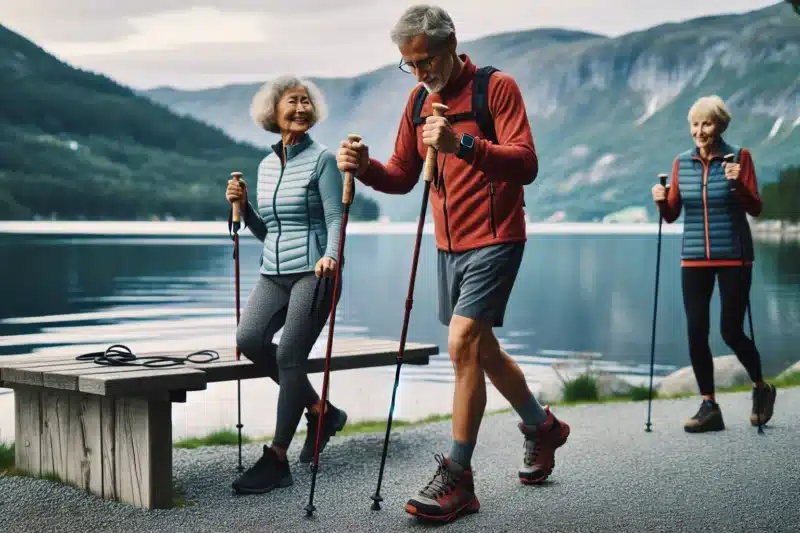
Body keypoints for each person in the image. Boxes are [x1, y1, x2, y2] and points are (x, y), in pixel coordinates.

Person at [336, 4, 570, 522]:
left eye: (426, 60)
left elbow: (526, 163)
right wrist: (365, 167)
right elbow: (402, 174)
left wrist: (461, 144)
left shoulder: (496, 88)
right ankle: (543, 427)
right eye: (410, 64)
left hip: (497, 236)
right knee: (482, 349)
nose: (420, 73)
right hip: (449, 245)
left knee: (462, 342)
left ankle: (459, 477)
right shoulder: (418, 100)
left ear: (451, 44)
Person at [225, 75, 348, 494]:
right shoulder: (265, 166)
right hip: (273, 273)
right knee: (249, 339)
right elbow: (269, 231)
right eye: (292, 102)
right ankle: (320, 410)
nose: (300, 109)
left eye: (305, 102)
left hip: (316, 272)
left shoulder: (322, 160)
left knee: (290, 356)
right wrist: (244, 208)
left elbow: (335, 217)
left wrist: (331, 256)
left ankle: (277, 458)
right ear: (273, 112)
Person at [651, 95, 777, 433]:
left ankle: (761, 387)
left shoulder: (739, 158)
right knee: (696, 331)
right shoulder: (681, 163)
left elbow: (755, 208)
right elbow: (672, 214)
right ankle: (709, 406)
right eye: (695, 124)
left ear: (720, 126)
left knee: (731, 330)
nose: (699, 131)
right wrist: (661, 202)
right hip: (694, 258)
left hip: (734, 254)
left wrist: (737, 183)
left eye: (706, 124)